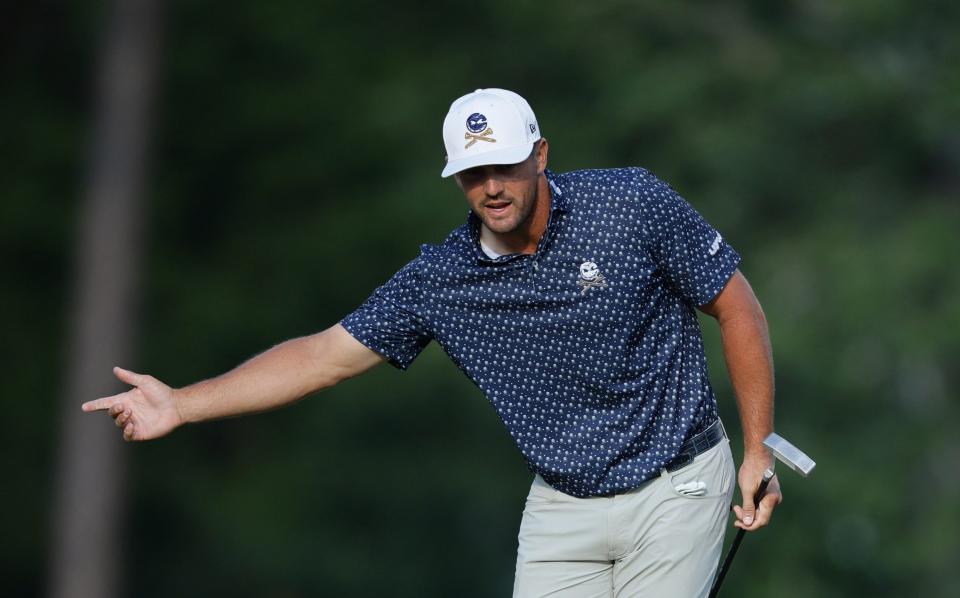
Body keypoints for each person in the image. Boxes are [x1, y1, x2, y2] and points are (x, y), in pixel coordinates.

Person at [83, 88, 782, 597]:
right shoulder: (441, 280)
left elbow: (736, 306)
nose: (491, 188)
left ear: (541, 155)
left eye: (505, 165)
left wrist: (757, 449)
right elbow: (323, 358)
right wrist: (183, 403)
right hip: (563, 504)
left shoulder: (629, 205)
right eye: (473, 175)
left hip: (678, 482)